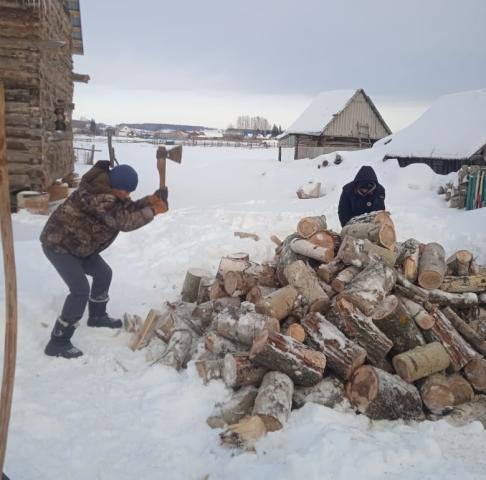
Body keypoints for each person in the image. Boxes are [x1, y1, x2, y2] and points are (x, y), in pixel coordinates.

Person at [40, 160, 168, 359]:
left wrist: (150, 200)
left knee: (103, 273)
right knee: (80, 290)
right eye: (125, 191)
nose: (127, 195)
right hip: (59, 245)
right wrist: (153, 211)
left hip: (80, 246)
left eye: (129, 192)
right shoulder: (99, 197)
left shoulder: (109, 189)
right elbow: (123, 221)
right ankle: (58, 341)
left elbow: (127, 207)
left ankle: (97, 316)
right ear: (115, 185)